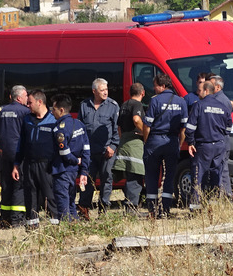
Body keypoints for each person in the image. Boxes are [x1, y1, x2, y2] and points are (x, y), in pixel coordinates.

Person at [142, 74, 188, 218]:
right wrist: (179, 144)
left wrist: (146, 141)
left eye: (155, 85)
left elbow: (147, 125)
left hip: (155, 141)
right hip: (172, 141)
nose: (153, 88)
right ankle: (166, 208)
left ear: (162, 86)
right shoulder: (181, 102)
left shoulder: (155, 101)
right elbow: (183, 129)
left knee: (151, 175)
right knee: (169, 176)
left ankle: (152, 209)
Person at [0, 85, 30, 228]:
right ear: (19, 97)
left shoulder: (0, 111)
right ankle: (17, 219)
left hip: (4, 154)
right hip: (21, 156)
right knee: (20, 186)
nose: (27, 98)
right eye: (26, 96)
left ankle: (5, 219)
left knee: (6, 186)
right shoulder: (25, 112)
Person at [185, 80, 231, 211]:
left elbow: (190, 128)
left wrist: (190, 142)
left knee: (198, 176)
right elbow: (229, 127)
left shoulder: (199, 105)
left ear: (206, 91)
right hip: (220, 145)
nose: (198, 93)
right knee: (216, 175)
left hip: (204, 146)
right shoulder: (223, 106)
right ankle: (213, 206)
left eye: (200, 90)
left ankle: (195, 208)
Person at [14, 89, 58, 229]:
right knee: (30, 197)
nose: (28, 105)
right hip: (29, 164)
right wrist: (16, 164)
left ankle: (55, 227)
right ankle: (32, 228)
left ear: (40, 102)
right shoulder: (27, 119)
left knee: (50, 196)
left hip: (47, 166)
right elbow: (20, 144)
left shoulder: (53, 120)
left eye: (30, 102)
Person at [78, 78, 120, 219]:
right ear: (94, 91)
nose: (105, 92)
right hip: (88, 152)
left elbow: (116, 130)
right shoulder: (84, 105)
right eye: (102, 90)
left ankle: (103, 210)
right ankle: (84, 209)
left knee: (106, 179)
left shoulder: (113, 106)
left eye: (106, 89)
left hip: (106, 151)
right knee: (87, 180)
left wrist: (113, 146)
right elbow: (79, 130)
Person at [49, 93, 91, 222]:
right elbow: (86, 149)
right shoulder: (79, 124)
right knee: (71, 201)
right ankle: (75, 227)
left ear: (61, 110)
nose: (52, 112)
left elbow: (64, 153)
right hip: (73, 172)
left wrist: (75, 161)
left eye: (53, 109)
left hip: (62, 171)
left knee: (63, 204)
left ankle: (67, 231)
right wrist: (84, 170)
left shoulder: (59, 129)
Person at [112, 82, 147, 215]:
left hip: (124, 143)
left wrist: (122, 140)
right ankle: (132, 209)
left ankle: (131, 205)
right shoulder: (137, 104)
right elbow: (136, 119)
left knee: (129, 176)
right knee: (135, 176)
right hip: (134, 144)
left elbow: (119, 127)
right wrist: (145, 132)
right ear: (142, 93)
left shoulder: (124, 105)